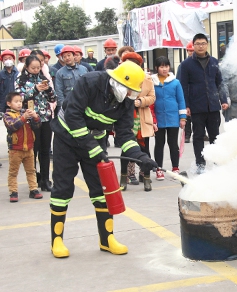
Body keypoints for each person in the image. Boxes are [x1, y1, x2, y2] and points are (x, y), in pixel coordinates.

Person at [49, 61, 158, 258]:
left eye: (133, 92)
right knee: (63, 188)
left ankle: (106, 239)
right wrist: (93, 148)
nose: (129, 96)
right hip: (66, 139)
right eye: (128, 90)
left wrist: (141, 157)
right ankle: (57, 240)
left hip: (95, 141)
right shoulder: (89, 82)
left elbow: (125, 135)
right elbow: (73, 116)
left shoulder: (125, 100)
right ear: (117, 82)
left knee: (102, 190)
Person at [178, 33, 229, 174]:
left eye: (203, 43)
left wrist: (223, 100)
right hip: (196, 107)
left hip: (213, 106)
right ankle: (200, 164)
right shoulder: (186, 64)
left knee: (215, 136)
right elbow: (183, 86)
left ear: (207, 44)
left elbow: (220, 83)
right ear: (193, 46)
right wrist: (186, 105)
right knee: (198, 136)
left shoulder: (214, 62)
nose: (201, 46)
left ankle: (217, 162)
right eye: (198, 44)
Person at [15, 55, 57, 192]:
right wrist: (35, 89)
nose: (35, 70)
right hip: (30, 119)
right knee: (32, 151)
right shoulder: (20, 80)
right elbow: (19, 98)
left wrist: (48, 89)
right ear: (26, 67)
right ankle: (33, 181)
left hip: (45, 117)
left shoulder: (44, 79)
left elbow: (53, 98)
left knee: (45, 151)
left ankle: (45, 180)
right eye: (33, 68)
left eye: (38, 67)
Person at [117, 51, 156, 192]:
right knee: (125, 151)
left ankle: (146, 178)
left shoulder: (147, 78)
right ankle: (123, 178)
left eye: (134, 64)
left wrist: (140, 101)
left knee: (144, 149)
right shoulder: (120, 78)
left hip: (142, 116)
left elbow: (152, 97)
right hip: (126, 117)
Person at [3, 92, 43, 203]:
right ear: (9, 103)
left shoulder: (25, 113)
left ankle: (33, 189)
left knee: (31, 171)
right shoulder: (7, 115)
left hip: (29, 148)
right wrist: (23, 118)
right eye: (16, 102)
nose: (19, 104)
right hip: (15, 149)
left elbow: (37, 126)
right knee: (13, 172)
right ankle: (13, 191)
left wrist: (35, 117)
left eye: (20, 101)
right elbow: (12, 126)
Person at [151, 56, 186, 180]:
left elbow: (181, 100)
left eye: (166, 66)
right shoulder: (151, 82)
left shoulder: (175, 82)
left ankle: (175, 168)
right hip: (158, 118)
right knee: (159, 144)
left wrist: (182, 118)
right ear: (157, 68)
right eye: (161, 66)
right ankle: (158, 169)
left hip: (173, 118)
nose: (164, 69)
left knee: (173, 144)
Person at [176, 41, 194, 143]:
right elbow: (179, 80)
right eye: (189, 51)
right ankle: (187, 135)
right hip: (186, 92)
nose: (191, 52)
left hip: (196, 94)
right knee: (187, 115)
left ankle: (201, 133)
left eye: (192, 50)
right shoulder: (184, 65)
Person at [0, 49, 18, 117]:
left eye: (10, 58)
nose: (8, 60)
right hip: (7, 106)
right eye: (5, 59)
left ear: (13, 59)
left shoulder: (18, 73)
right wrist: (1, 109)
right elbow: (0, 93)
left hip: (18, 104)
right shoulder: (0, 74)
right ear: (2, 61)